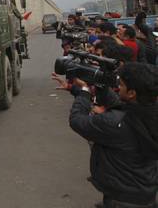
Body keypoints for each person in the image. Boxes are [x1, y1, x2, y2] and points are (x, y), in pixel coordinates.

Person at [54, 63, 158, 207]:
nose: (118, 87)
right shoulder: (147, 111)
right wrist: (99, 85)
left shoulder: (115, 123)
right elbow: (118, 104)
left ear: (132, 93)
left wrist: (84, 91)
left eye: (121, 85)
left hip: (121, 199)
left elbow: (77, 121)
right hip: (144, 192)